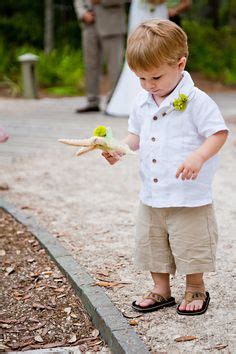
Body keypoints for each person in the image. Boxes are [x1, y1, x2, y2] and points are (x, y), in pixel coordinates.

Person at [103, 19, 228, 315]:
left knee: (191, 241)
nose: (149, 86)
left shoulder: (197, 101)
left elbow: (218, 133)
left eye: (156, 77)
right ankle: (161, 289)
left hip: (187, 193)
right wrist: (118, 150)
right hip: (153, 190)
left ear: (180, 63)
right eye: (141, 79)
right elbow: (136, 136)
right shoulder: (142, 101)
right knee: (152, 242)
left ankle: (195, 285)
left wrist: (198, 156)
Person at [105, 0, 168, 117]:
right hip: (140, 10)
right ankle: (134, 101)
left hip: (160, 10)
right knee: (139, 43)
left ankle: (163, 99)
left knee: (162, 45)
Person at [74, 0, 127, 113]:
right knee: (90, 64)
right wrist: (82, 13)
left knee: (114, 66)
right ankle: (92, 101)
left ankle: (114, 101)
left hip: (112, 24)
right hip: (89, 25)